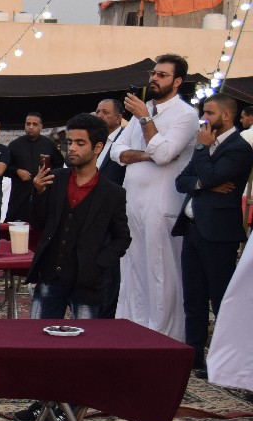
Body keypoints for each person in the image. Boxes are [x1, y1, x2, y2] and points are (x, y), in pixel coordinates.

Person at [12, 112, 132, 421]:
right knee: (40, 343)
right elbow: (37, 222)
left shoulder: (112, 192)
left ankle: (74, 406)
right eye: (70, 143)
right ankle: (43, 402)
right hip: (51, 275)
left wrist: (100, 263)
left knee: (83, 350)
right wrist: (38, 194)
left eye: (80, 143)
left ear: (98, 147)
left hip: (87, 283)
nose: (72, 149)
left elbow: (122, 238)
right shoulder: (56, 179)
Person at [111, 54, 199, 341]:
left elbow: (163, 154)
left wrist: (145, 120)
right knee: (133, 267)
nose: (154, 78)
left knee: (161, 272)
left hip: (162, 206)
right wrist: (146, 154)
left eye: (162, 75)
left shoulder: (185, 114)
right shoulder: (145, 110)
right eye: (153, 73)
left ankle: (162, 338)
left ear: (178, 81)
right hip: (132, 202)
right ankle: (133, 331)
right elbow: (116, 152)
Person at [173, 93, 253, 377]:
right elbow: (181, 181)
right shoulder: (208, 145)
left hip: (218, 234)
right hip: (192, 230)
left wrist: (202, 153)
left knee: (220, 300)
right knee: (193, 298)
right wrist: (204, 183)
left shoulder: (239, 148)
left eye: (209, 113)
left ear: (227, 116)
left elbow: (207, 176)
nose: (203, 119)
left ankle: (224, 361)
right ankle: (194, 356)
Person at [4, 112, 64, 221]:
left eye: (35, 124)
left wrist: (48, 176)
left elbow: (59, 165)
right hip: (20, 196)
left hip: (43, 195)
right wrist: (17, 171)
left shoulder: (49, 144)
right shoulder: (14, 145)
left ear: (41, 127)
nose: (31, 127)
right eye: (28, 124)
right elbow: (5, 168)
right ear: (25, 125)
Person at [95, 99, 129, 186]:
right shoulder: (95, 139)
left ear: (118, 118)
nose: (99, 116)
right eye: (97, 112)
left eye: (105, 112)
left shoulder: (126, 140)